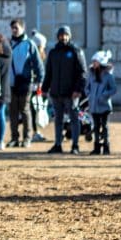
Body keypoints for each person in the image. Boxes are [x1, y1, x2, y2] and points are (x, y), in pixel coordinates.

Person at [41, 25, 87, 154]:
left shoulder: (75, 51)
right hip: (56, 93)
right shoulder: (53, 52)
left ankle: (75, 145)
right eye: (61, 35)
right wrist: (45, 89)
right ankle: (58, 144)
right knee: (58, 120)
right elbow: (48, 73)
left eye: (66, 35)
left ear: (69, 36)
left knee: (74, 119)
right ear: (58, 36)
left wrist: (78, 90)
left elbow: (82, 73)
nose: (64, 37)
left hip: (71, 94)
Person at [8, 19, 44, 148]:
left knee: (24, 110)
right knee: (12, 111)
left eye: (16, 28)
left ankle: (27, 138)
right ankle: (14, 138)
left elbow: (38, 65)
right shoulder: (8, 43)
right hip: (11, 83)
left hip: (26, 82)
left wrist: (39, 81)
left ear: (22, 28)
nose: (14, 30)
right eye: (12, 28)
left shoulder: (29, 44)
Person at [84, 50, 116, 155]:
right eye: (93, 61)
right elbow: (87, 87)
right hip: (93, 106)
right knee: (96, 126)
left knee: (105, 126)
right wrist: (89, 94)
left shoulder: (108, 76)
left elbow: (113, 89)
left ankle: (106, 146)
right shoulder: (91, 75)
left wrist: (103, 96)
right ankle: (97, 147)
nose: (94, 63)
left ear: (101, 62)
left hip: (104, 106)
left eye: (96, 61)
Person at [28, 30, 48, 143]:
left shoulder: (39, 55)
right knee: (33, 110)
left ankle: (36, 131)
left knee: (36, 109)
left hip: (37, 87)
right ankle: (34, 132)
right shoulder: (34, 56)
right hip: (34, 86)